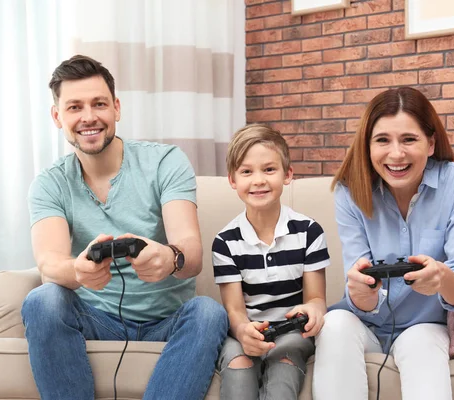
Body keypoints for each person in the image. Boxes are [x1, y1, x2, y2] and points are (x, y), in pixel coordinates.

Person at [21, 54, 229, 400]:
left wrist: (170, 257)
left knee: (208, 312)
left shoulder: (165, 161)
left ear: (116, 107)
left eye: (99, 104)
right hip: (94, 318)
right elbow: (49, 264)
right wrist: (78, 270)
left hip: (167, 320)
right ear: (57, 116)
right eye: (75, 107)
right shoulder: (49, 183)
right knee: (43, 299)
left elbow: (192, 252)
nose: (89, 117)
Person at [313, 87, 454, 400]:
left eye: (409, 139)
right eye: (382, 140)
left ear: (430, 144)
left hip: (426, 324)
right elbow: (360, 294)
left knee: (420, 344)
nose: (396, 154)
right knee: (334, 324)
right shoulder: (349, 192)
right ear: (367, 146)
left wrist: (441, 278)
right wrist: (361, 291)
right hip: (364, 322)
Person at [212, 124, 330, 399]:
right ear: (232, 180)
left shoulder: (309, 232)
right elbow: (235, 311)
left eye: (269, 169)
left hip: (291, 334)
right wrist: (243, 333)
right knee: (238, 364)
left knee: (284, 365)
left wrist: (314, 312)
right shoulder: (225, 242)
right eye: (246, 171)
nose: (258, 180)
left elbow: (315, 298)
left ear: (287, 174)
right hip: (248, 331)